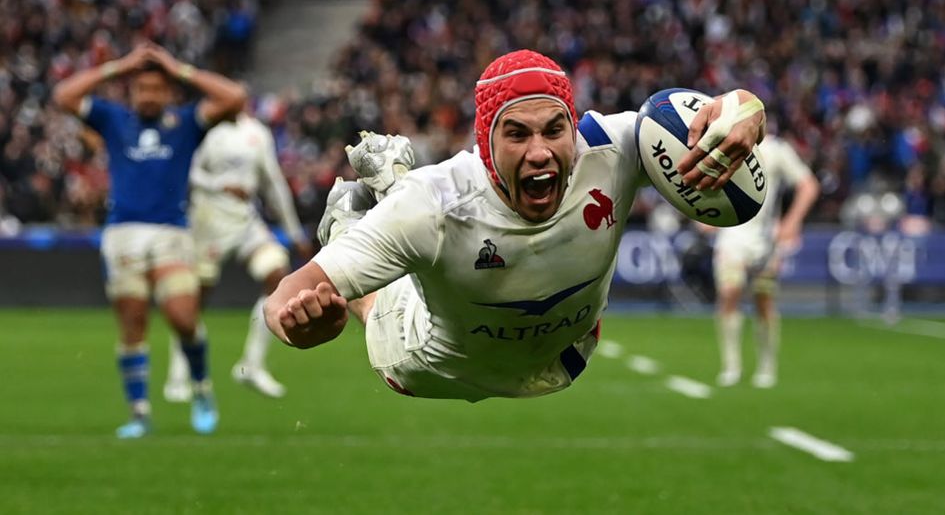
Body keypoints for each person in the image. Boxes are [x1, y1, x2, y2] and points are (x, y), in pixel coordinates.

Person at [264, 49, 766, 401]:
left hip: (565, 357)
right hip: (434, 366)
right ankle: (352, 222)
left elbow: (728, 108)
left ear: (574, 125)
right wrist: (298, 324)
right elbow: (288, 293)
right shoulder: (436, 204)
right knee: (384, 298)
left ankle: (389, 185)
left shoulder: (616, 147)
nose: (540, 151)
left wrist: (747, 110)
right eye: (517, 134)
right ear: (486, 146)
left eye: (554, 129)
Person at [52, 43, 247, 436]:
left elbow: (236, 97)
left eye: (157, 88)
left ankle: (201, 388)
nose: (148, 95)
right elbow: (64, 95)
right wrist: (118, 67)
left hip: (170, 233)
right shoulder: (112, 118)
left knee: (183, 317)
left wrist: (180, 69)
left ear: (168, 91)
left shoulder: (187, 121)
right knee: (133, 324)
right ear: (131, 90)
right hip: (123, 234)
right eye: (141, 88)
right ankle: (139, 413)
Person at [163, 105, 314, 402]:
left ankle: (252, 364)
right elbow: (185, 171)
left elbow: (273, 182)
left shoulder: (257, 132)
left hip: (246, 221)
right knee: (194, 302)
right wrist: (221, 185)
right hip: (209, 222)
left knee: (276, 274)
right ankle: (179, 374)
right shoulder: (204, 130)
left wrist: (294, 232)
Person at [712, 134, 820, 388]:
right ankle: (731, 366)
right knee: (729, 293)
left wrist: (792, 221)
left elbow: (809, 185)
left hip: (765, 240)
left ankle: (766, 366)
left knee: (763, 299)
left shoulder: (777, 149)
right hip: (732, 235)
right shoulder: (721, 143)